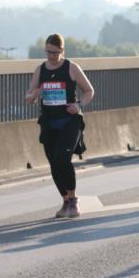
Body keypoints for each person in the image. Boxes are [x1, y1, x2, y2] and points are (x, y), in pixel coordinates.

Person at [25, 33, 95, 219]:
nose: (51, 56)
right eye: (48, 52)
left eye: (55, 53)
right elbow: (29, 97)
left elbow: (89, 90)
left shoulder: (71, 68)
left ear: (62, 51)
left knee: (63, 159)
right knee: (54, 164)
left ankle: (73, 200)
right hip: (49, 123)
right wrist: (36, 94)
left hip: (69, 122)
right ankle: (65, 200)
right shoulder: (40, 70)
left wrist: (79, 105)